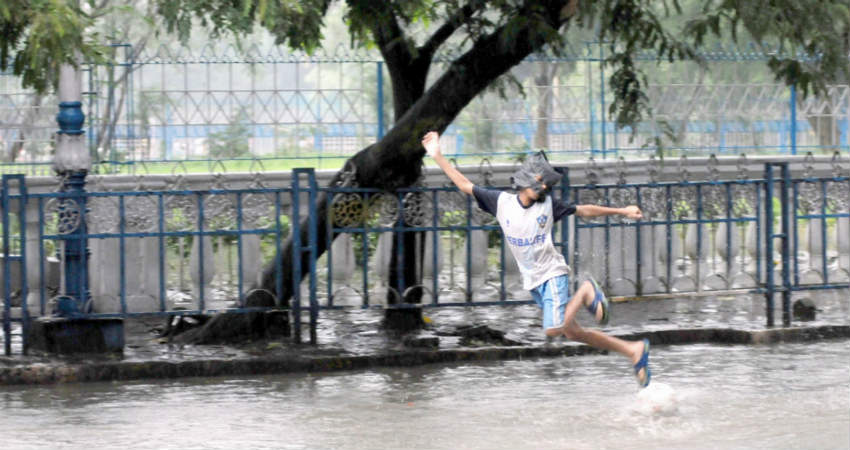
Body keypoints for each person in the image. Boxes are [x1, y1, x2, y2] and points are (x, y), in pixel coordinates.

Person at [422, 131, 651, 388]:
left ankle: (586, 292)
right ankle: (633, 350)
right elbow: (464, 184)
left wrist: (622, 210)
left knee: (553, 329)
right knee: (572, 331)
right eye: (540, 181)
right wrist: (438, 156)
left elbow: (584, 210)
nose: (543, 187)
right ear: (524, 179)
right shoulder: (501, 202)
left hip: (552, 273)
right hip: (534, 281)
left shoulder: (548, 206)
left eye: (547, 185)